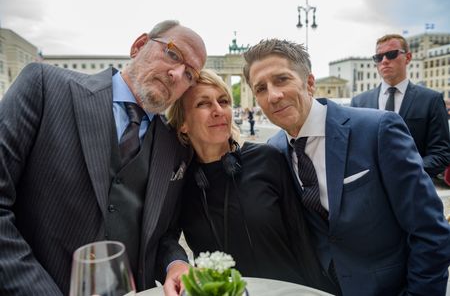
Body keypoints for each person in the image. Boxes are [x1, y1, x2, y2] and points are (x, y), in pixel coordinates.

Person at [0, 20, 206, 295]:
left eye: (190, 75)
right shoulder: (44, 87)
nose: (177, 74)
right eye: (173, 54)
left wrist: (176, 264)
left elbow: (163, 235)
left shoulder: (176, 149)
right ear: (139, 46)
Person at [243, 38, 450, 296]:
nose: (273, 95)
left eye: (282, 79)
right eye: (261, 88)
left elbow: (430, 230)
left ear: (309, 83)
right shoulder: (274, 150)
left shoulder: (378, 130)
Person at [164, 69, 335, 295]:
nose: (218, 110)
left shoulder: (268, 159)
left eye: (223, 101)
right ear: (183, 124)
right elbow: (163, 238)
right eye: (203, 104)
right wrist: (177, 263)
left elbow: (302, 238)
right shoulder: (179, 180)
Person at [351, 34, 450, 178]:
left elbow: (441, 152)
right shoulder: (359, 102)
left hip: (415, 191)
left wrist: (408, 172)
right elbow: (354, 150)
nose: (384, 61)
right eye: (378, 57)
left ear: (408, 58)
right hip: (371, 194)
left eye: (391, 54)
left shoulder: (431, 100)